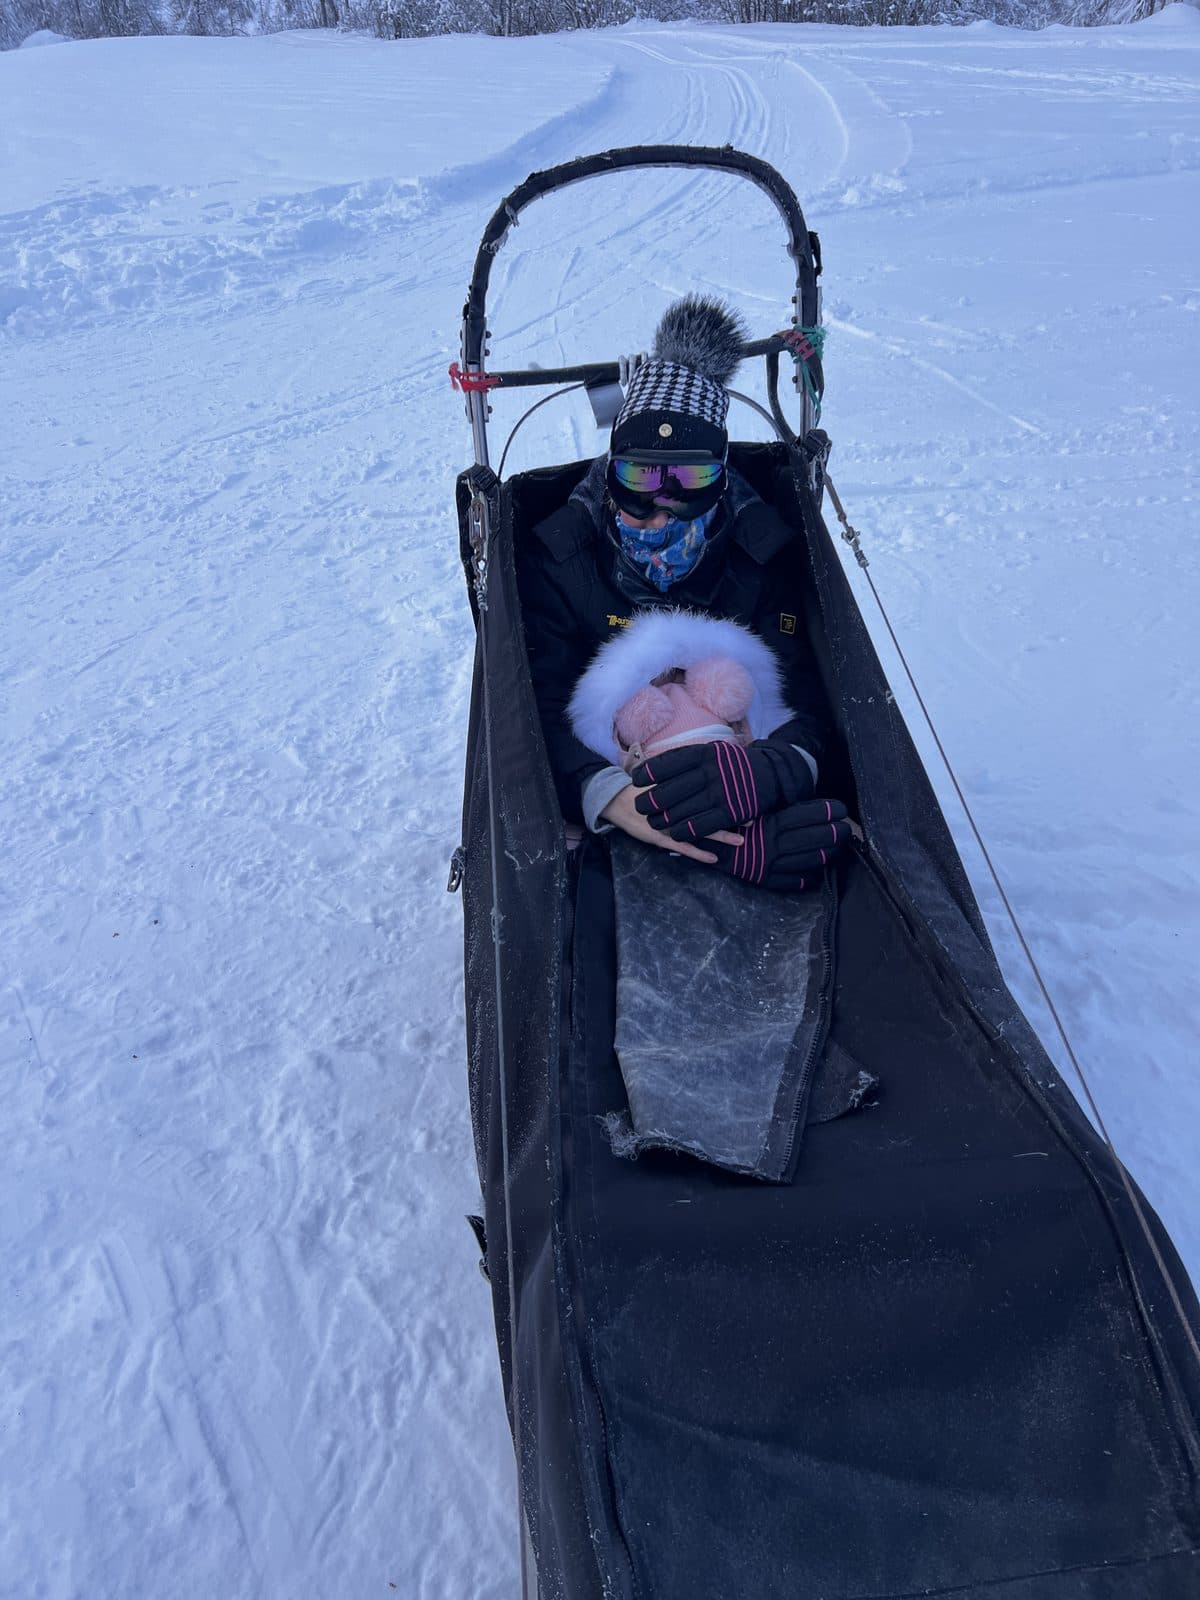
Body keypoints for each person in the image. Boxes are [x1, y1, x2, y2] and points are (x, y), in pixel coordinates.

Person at [516, 294, 850, 888]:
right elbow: (533, 711)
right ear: (611, 469)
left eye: (688, 480)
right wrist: (616, 801)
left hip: (735, 775)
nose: (659, 509)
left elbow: (813, 688)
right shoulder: (561, 559)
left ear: (720, 477)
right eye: (638, 477)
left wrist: (778, 769)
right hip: (612, 794)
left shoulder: (764, 552)